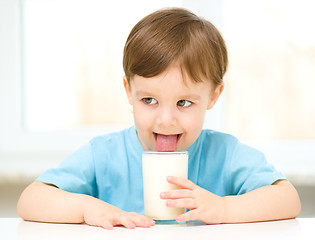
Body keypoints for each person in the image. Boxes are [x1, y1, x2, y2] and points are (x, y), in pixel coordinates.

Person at [17, 7, 301, 229]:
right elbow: (31, 200)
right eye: (149, 100)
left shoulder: (225, 155)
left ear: (214, 96)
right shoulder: (104, 155)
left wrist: (225, 208)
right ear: (129, 91)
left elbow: (288, 199)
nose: (166, 120)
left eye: (184, 102)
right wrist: (87, 209)